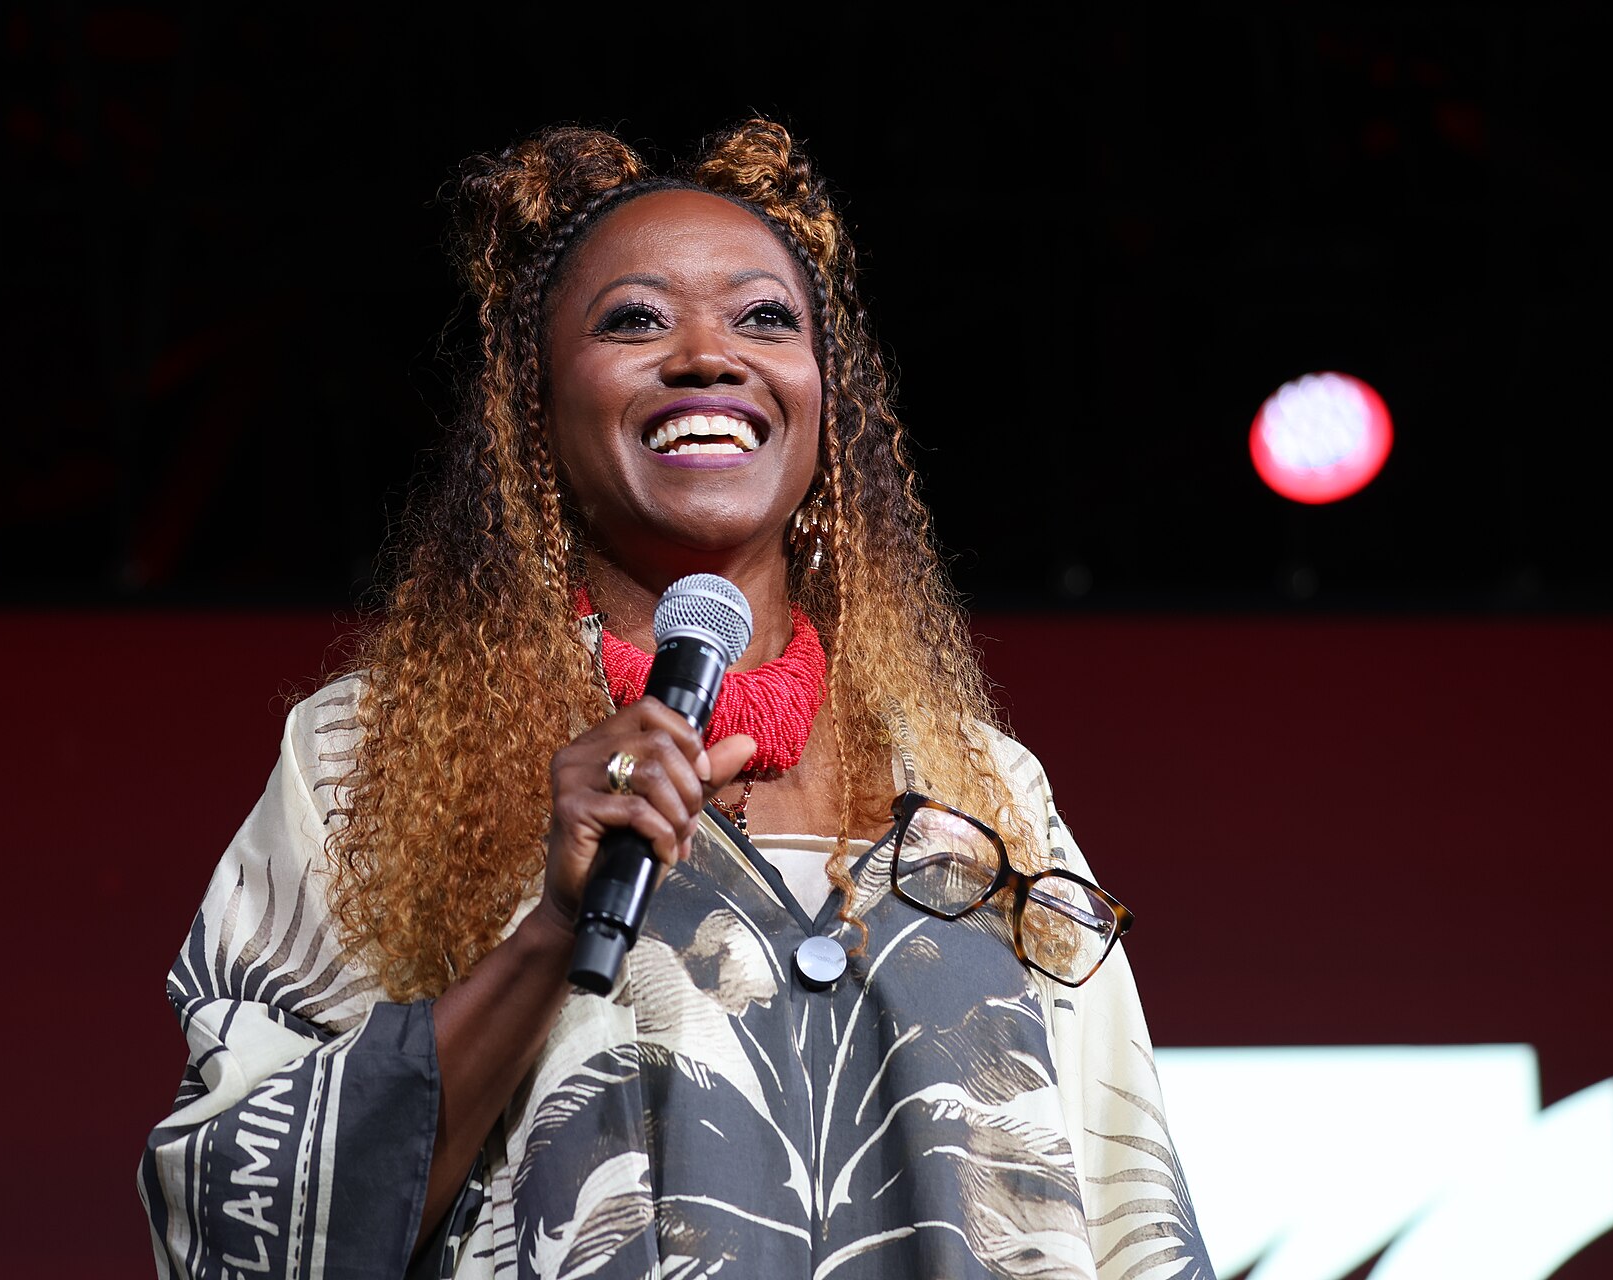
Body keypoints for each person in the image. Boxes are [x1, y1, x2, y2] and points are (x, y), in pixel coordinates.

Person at [139, 117, 1212, 1280]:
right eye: (634, 319)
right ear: (536, 413)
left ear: (823, 401)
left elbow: (1127, 1200)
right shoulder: (368, 757)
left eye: (764, 317)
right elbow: (247, 1215)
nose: (709, 354)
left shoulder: (978, 783)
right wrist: (555, 928)